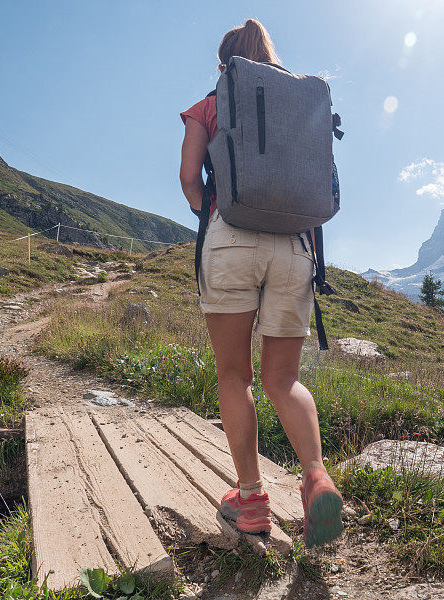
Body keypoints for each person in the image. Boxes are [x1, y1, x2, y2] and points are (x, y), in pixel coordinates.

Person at [178, 18, 343, 548]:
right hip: (295, 246)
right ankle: (316, 478)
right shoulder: (300, 104)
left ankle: (250, 501)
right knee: (283, 379)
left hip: (232, 239)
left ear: (225, 62)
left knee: (235, 376)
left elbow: (187, 177)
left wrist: (211, 211)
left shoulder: (210, 103)